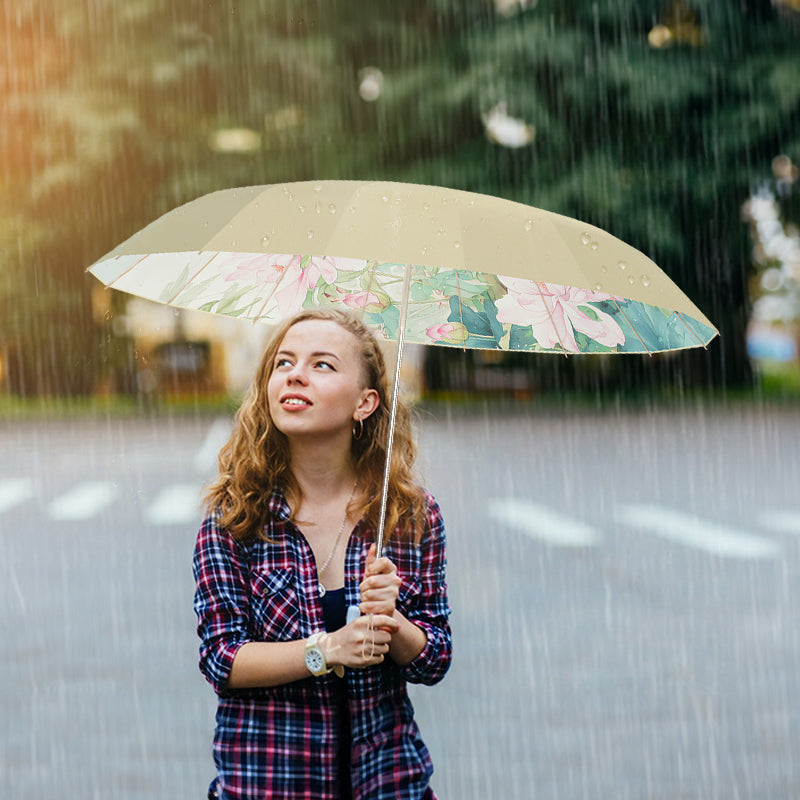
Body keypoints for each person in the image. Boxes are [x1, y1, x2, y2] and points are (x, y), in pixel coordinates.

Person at [192, 307, 452, 800]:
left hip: (390, 783)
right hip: (268, 785)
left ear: (366, 402)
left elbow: (434, 659)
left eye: (322, 365)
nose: (295, 374)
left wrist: (395, 622)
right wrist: (326, 650)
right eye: (284, 362)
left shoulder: (407, 515)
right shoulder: (236, 516)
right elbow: (221, 659)